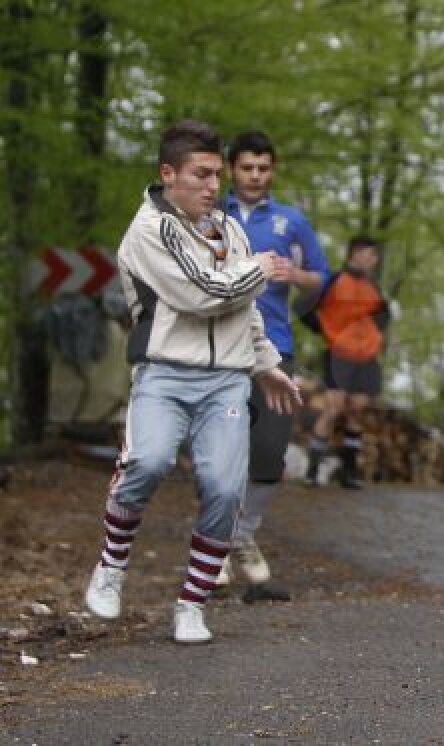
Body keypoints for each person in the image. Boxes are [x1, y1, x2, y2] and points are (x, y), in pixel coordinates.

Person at [82, 120, 300, 644]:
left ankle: (191, 606)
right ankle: (111, 565)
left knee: (224, 489)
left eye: (216, 175)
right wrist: (259, 269)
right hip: (163, 373)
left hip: (226, 380)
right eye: (201, 175)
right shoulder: (149, 230)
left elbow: (243, 310)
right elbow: (201, 293)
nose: (212, 186)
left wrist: (265, 362)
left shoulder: (229, 230)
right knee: (148, 461)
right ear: (168, 173)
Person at [218, 130, 331, 600]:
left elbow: (321, 279)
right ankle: (214, 548)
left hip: (275, 347)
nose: (255, 176)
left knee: (270, 449)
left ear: (273, 170)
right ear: (231, 169)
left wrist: (297, 275)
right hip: (218, 347)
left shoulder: (291, 221)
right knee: (220, 451)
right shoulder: (211, 215)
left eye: (263, 168)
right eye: (247, 168)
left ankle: (242, 535)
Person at [304, 235, 389, 489]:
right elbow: (305, 308)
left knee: (356, 411)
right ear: (355, 254)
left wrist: (373, 337)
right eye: (369, 254)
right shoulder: (334, 280)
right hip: (339, 355)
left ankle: (348, 472)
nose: (373, 260)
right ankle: (312, 471)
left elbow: (384, 317)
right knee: (333, 409)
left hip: (366, 358)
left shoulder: (373, 287)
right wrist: (328, 331)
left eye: (375, 256)